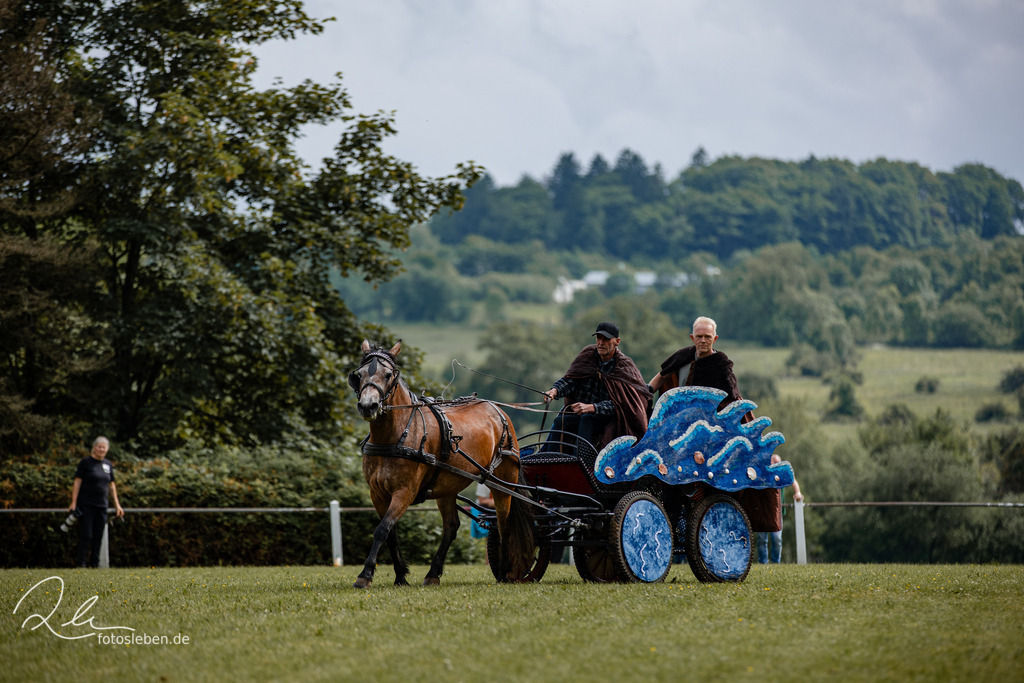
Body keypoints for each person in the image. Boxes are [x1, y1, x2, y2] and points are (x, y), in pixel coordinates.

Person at [543, 321, 652, 453]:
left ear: (617, 341)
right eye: (598, 338)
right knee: (561, 420)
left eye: (606, 339)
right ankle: (550, 457)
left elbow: (622, 404)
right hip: (581, 414)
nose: (601, 343)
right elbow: (571, 381)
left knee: (587, 419)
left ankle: (583, 460)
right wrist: (554, 391)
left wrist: (593, 408)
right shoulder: (588, 356)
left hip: (611, 420)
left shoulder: (624, 367)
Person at [648, 316, 750, 420]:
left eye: (708, 337)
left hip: (709, 422)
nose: (703, 341)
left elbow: (731, 399)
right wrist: (644, 395)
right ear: (692, 338)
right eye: (699, 336)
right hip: (679, 417)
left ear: (715, 339)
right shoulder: (683, 357)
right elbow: (662, 376)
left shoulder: (721, 365)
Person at [68, 436, 124, 568]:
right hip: (86, 505)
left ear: (107, 449)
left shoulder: (108, 464)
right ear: (94, 447)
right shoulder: (85, 463)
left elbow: (112, 485)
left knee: (98, 536)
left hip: (102, 505)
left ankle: (95, 564)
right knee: (86, 534)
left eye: (104, 447)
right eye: (99, 446)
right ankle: (81, 563)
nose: (101, 449)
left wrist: (117, 505)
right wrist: (73, 502)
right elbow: (77, 482)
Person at [757, 474, 804, 564]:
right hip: (762, 511)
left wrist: (797, 492)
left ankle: (776, 563)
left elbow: (792, 479)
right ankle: (762, 562)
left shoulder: (780, 471)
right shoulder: (762, 470)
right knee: (762, 539)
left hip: (776, 513)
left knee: (777, 538)